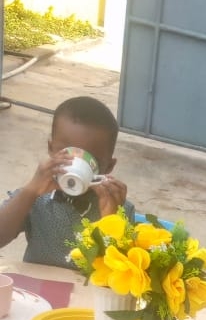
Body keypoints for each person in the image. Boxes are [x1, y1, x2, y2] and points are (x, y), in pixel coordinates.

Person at [0, 96, 133, 267]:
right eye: (67, 154)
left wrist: (112, 219)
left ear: (108, 166)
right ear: (51, 149)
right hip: (38, 283)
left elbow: (123, 270)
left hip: (88, 285)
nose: (76, 166)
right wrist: (30, 192)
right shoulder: (35, 197)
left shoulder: (119, 207)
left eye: (90, 161)